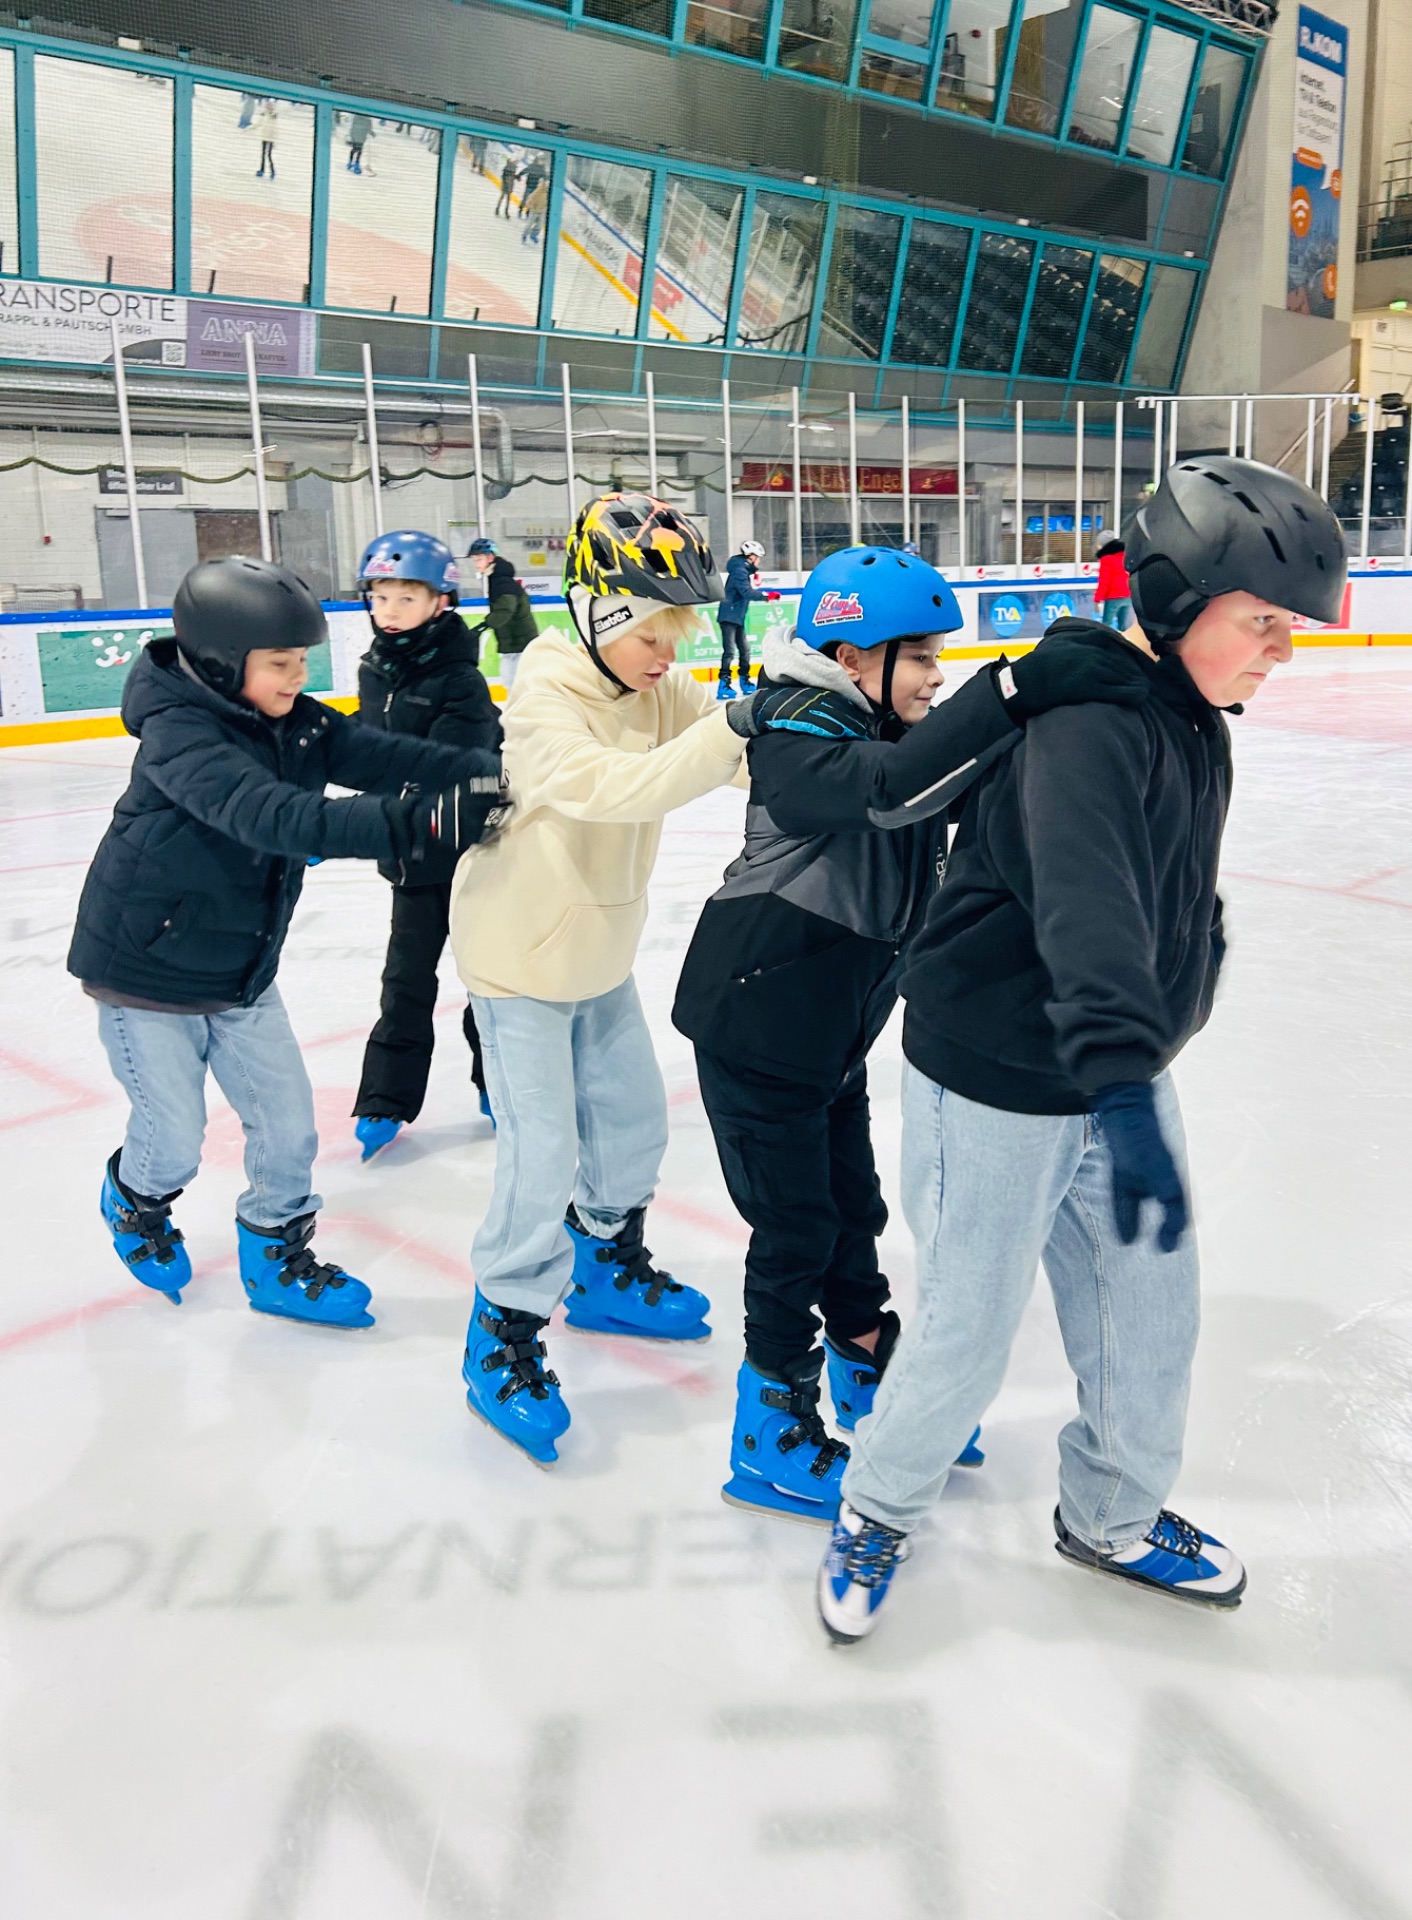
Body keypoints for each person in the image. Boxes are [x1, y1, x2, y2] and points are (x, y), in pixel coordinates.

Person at [816, 457, 1348, 1642]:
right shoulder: (1090, 727)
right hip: (1000, 1074)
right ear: (1175, 600)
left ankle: (1110, 1515)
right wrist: (1124, 1085)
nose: (1283, 649)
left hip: (1110, 1070)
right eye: (1262, 620)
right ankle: (876, 1506)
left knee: (1147, 1312)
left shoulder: (1182, 712)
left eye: (1289, 625)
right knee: (968, 1323)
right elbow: (1086, 915)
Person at [673, 545, 1153, 1524]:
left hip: (830, 1032)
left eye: (941, 656)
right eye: (921, 656)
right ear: (852, 657)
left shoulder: (885, 730)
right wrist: (1010, 693)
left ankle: (861, 1357)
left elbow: (973, 789)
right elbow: (885, 789)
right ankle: (769, 1424)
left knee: (853, 1208)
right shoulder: (796, 733)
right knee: (795, 1229)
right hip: (754, 1024)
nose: (938, 675)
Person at [69, 558, 503, 1330]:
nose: (298, 677)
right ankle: (135, 1199)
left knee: (288, 1127)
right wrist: (432, 820)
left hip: (241, 964)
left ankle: (276, 1249)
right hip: (144, 971)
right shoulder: (181, 734)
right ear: (218, 661)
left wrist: (487, 772)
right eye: (279, 663)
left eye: (302, 660)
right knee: (173, 1138)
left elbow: (383, 754)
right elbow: (279, 818)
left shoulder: (294, 720)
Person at [448, 493, 761, 1468]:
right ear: (598, 611)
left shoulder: (656, 686)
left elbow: (733, 754)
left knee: (632, 1126)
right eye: (652, 633)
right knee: (541, 1155)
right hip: (518, 955)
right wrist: (735, 727)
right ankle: (500, 1331)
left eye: (677, 635)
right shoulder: (544, 696)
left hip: (598, 954)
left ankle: (605, 1269)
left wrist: (813, 731)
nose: (667, 654)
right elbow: (619, 787)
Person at [351, 531, 503, 1161]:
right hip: (409, 860)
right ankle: (385, 1099)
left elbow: (452, 766)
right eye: (380, 597)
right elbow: (368, 748)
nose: (389, 610)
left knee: (486, 981)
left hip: (470, 856)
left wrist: (368, 816)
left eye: (405, 598)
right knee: (405, 981)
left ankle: (500, 1082)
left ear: (440, 602)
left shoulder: (460, 680)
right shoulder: (374, 669)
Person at [464, 537, 538, 686]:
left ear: (490, 558)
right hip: (515, 642)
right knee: (512, 681)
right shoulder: (497, 577)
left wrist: (484, 625)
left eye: (479, 559)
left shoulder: (502, 582)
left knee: (513, 681)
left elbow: (506, 609)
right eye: (474, 560)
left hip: (519, 642)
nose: (476, 564)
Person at [716, 539, 773, 699]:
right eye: (758, 557)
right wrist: (766, 596)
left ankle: (745, 681)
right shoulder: (739, 571)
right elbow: (746, 592)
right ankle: (724, 684)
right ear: (751, 557)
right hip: (729, 616)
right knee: (729, 651)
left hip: (736, 616)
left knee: (745, 649)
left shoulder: (741, 569)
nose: (759, 561)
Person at [1094, 535, 1132, 629]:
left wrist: (1097, 600)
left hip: (1113, 597)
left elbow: (1104, 582)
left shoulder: (1107, 559)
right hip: (1127, 596)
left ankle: (1105, 639)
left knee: (1106, 626)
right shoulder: (1126, 557)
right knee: (1123, 627)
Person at [520, 176, 549, 248]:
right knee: (529, 224)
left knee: (539, 225)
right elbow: (529, 199)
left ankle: (533, 234)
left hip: (542, 211)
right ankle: (524, 235)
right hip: (534, 211)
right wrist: (530, 206)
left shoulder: (548, 194)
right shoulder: (537, 192)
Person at [254, 99, 277, 180]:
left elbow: (274, 128)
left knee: (269, 155)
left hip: (270, 138)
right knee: (263, 154)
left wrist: (274, 139)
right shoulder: (264, 114)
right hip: (264, 137)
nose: (269, 107)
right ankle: (262, 170)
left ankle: (272, 171)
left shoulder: (274, 115)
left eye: (270, 105)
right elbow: (259, 123)